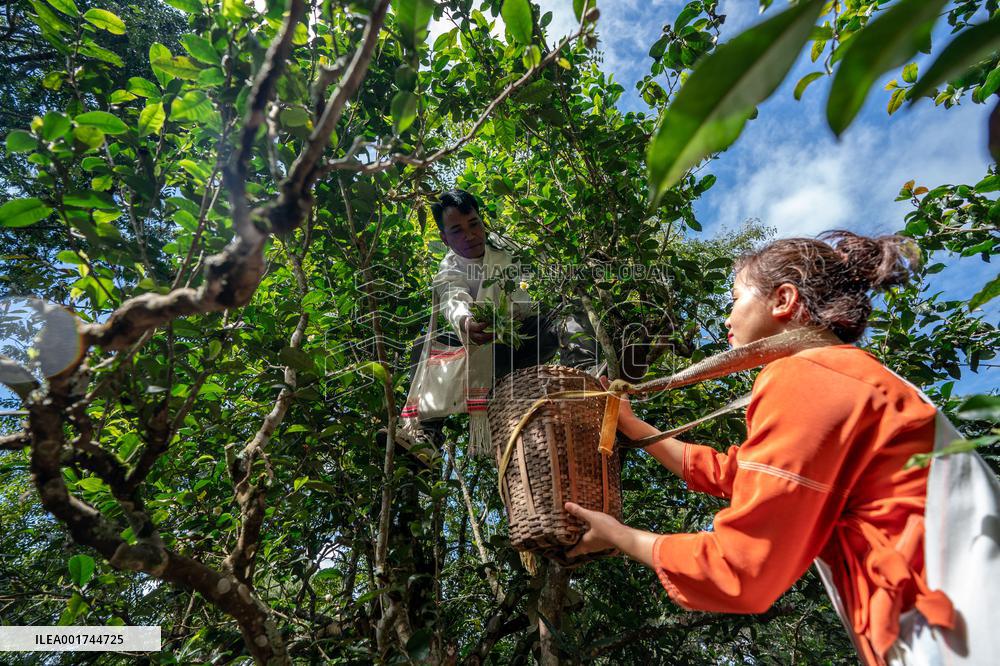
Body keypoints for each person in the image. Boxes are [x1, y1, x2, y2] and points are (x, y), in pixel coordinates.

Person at [564, 231, 954, 666]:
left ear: (783, 299)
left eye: (735, 299)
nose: (728, 317)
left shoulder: (807, 376)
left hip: (950, 636)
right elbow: (739, 476)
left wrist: (619, 535)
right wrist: (634, 426)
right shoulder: (848, 374)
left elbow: (741, 571)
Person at [397, 189, 596, 456]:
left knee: (568, 308)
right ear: (445, 238)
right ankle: (426, 436)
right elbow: (452, 299)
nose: (470, 235)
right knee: (424, 345)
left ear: (483, 222)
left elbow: (547, 265)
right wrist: (466, 322)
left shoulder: (508, 247)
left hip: (526, 342)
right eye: (457, 230)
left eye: (474, 224)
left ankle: (587, 376)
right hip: (481, 350)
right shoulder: (449, 270)